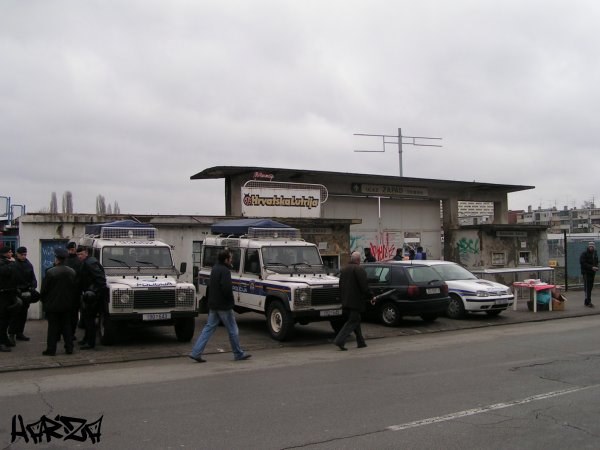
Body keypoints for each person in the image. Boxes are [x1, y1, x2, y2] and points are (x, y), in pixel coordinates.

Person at [189, 249, 251, 363]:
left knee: (208, 329)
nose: (232, 260)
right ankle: (238, 353)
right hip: (224, 306)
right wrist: (231, 302)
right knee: (233, 329)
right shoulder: (225, 271)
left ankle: (196, 352)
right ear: (226, 260)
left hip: (214, 304)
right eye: (230, 258)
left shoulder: (215, 269)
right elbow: (226, 289)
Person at [333, 251, 374, 351]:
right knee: (353, 321)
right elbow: (364, 287)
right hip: (355, 302)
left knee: (356, 320)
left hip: (346, 301)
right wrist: (371, 296)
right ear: (359, 260)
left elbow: (340, 285)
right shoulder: (359, 270)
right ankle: (340, 340)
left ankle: (361, 342)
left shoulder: (344, 270)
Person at [40, 248, 78, 355]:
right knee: (67, 327)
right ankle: (69, 347)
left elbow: (44, 290)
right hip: (67, 304)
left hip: (53, 305)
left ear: (57, 259)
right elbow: (75, 288)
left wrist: (44, 301)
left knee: (53, 328)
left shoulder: (50, 272)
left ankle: (51, 349)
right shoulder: (72, 272)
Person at [77, 245, 107, 349]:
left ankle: (90, 343)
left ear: (86, 253)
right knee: (86, 320)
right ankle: (86, 339)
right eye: (78, 255)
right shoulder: (87, 262)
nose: (79, 256)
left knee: (90, 320)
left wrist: (95, 293)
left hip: (92, 297)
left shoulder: (90, 263)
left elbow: (101, 280)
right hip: (89, 295)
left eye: (81, 254)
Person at [8, 247, 37, 345]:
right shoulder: (13, 264)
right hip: (16, 293)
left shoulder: (28, 264)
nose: (24, 256)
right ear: (18, 254)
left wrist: (33, 286)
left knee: (23, 314)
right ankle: (11, 334)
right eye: (22, 255)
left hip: (26, 292)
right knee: (15, 315)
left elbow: (33, 277)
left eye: (25, 254)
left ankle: (20, 333)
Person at [0, 246, 18, 352]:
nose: (11, 254)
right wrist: (12, 264)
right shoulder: (3, 264)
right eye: (9, 252)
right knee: (2, 320)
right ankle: (1, 342)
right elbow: (7, 272)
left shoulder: (8, 263)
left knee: (6, 319)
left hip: (8, 294)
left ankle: (5, 339)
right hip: (2, 295)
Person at [64, 241, 83, 337]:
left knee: (73, 314)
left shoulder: (78, 261)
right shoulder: (65, 260)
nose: (73, 251)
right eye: (71, 249)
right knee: (67, 314)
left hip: (74, 292)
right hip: (66, 291)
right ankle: (67, 332)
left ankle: (71, 333)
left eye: (74, 249)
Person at [580, 241, 598, 308]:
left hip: (592, 272)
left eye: (592, 246)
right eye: (590, 246)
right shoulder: (584, 254)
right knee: (587, 287)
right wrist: (591, 267)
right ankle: (588, 302)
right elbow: (583, 263)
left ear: (594, 247)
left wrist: (596, 267)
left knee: (590, 287)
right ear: (588, 246)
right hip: (586, 273)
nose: (591, 247)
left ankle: (586, 301)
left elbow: (596, 261)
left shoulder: (595, 254)